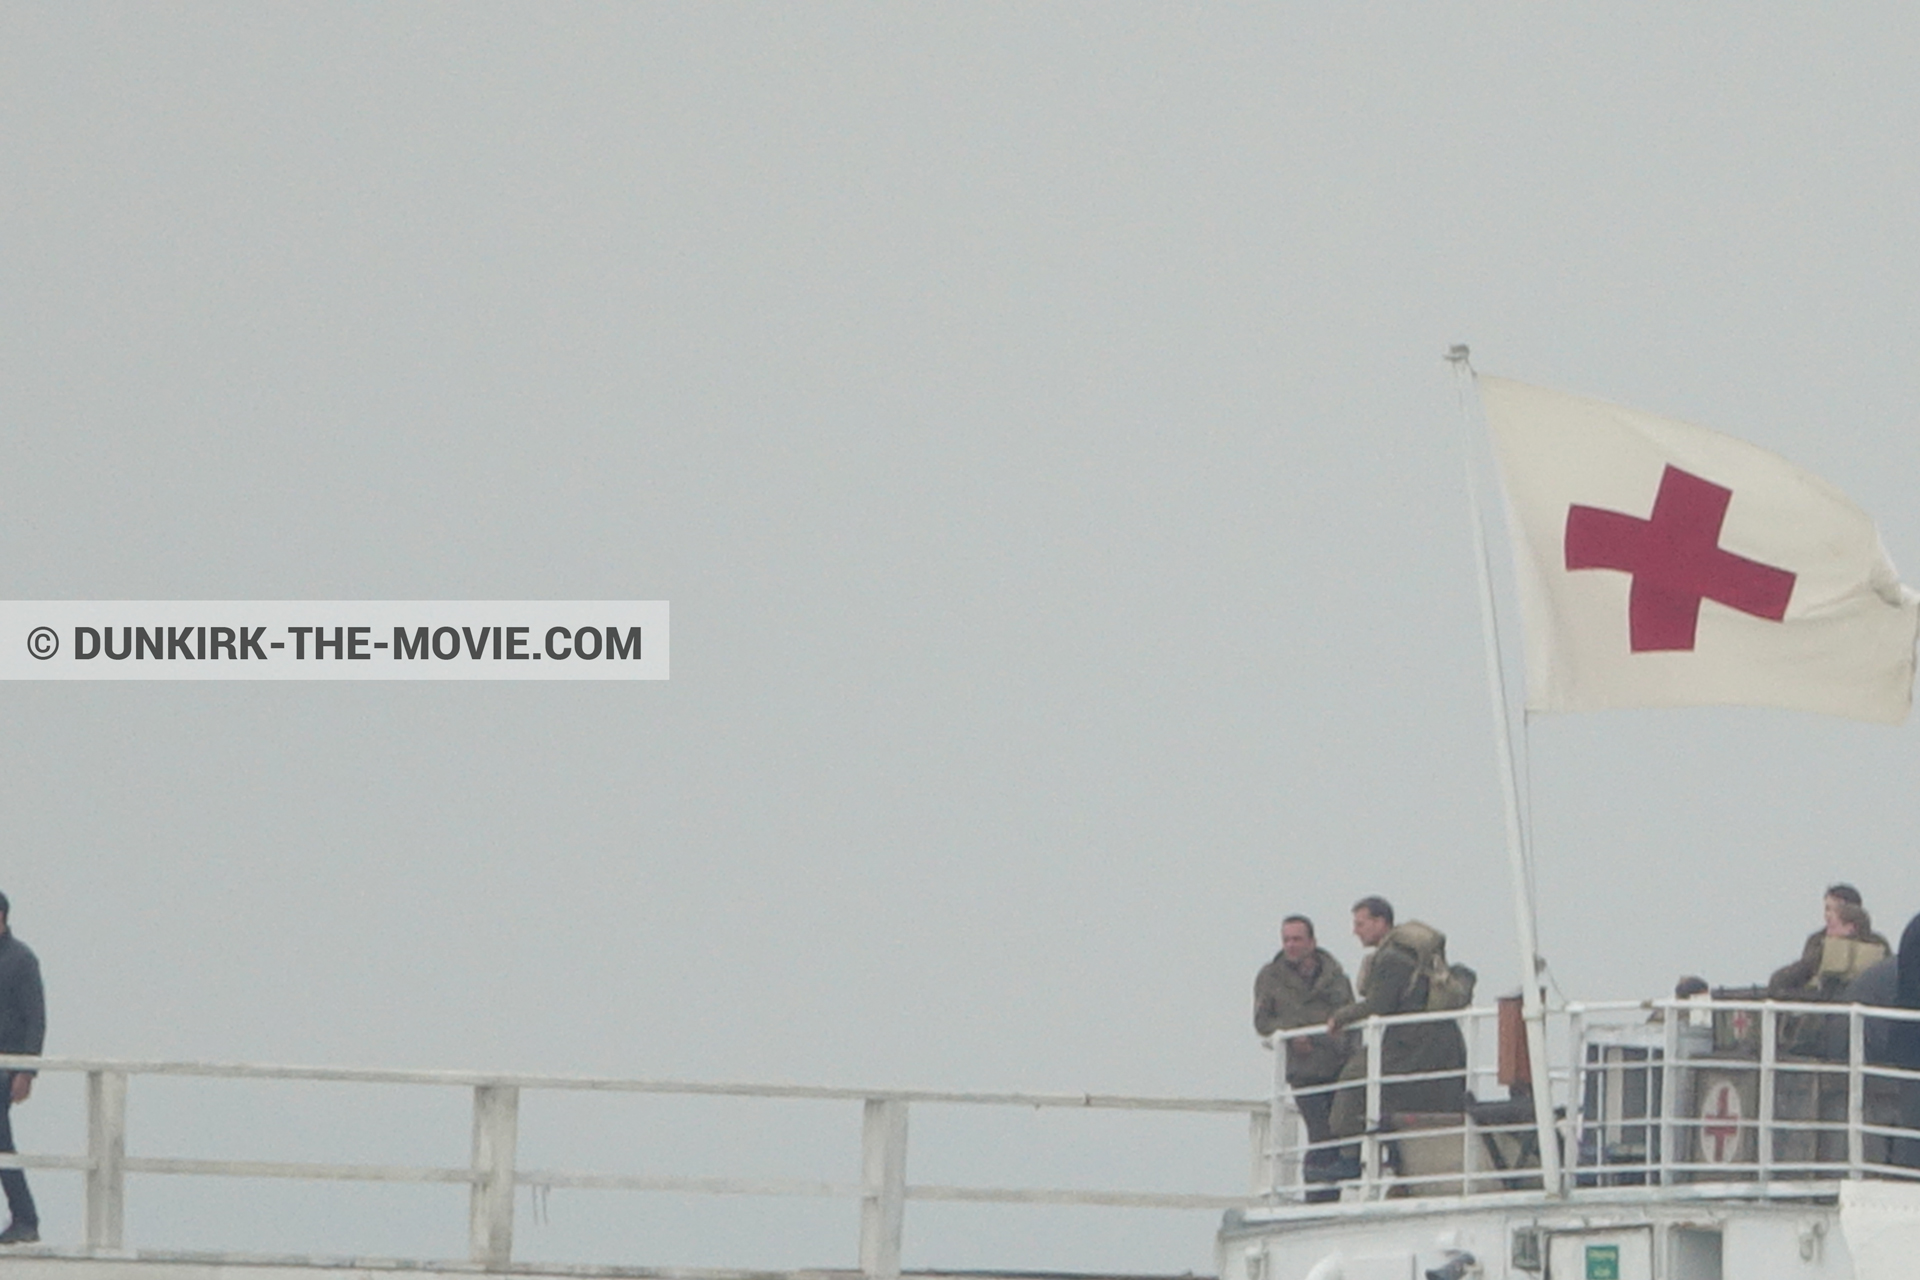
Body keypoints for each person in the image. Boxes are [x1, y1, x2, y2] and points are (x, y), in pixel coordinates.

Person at [1325, 896, 1469, 1139]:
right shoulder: (1410, 952)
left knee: (1353, 1079)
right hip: (1439, 1041)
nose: (1355, 931)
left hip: (1412, 1044)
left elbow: (1380, 1004)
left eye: (1360, 924)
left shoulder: (1393, 957)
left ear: (1380, 922)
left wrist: (1339, 1017)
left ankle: (1349, 1153)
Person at [1253, 915, 1354, 1150]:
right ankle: (1318, 1184)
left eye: (1297, 939)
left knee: (1342, 1133)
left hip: (1338, 1065)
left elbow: (1349, 1017)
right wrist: (1292, 1033)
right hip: (1304, 1070)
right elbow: (1262, 1022)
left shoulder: (1336, 977)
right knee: (1320, 1135)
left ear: (1312, 942)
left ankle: (1331, 1182)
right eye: (1286, 939)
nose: (1290, 945)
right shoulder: (1270, 977)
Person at [0, 893, 42, 1245]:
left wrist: (27, 1071)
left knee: (0, 1141)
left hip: (6, 1067)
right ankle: (24, 1218)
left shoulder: (21, 960)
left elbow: (35, 1019)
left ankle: (25, 1219)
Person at [1768, 884, 1893, 1001]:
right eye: (1826, 909)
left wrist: (1778, 981)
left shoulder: (1820, 942)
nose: (1827, 915)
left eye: (1830, 909)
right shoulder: (1879, 944)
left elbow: (1803, 969)